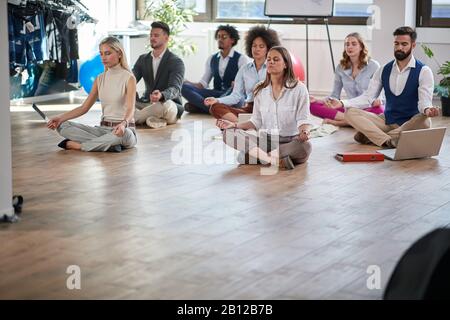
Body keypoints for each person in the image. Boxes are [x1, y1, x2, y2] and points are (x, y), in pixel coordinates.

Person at [328, 26, 440, 148]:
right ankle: (388, 141)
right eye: (396, 44)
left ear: (413, 45)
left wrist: (428, 110)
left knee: (424, 120)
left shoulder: (424, 71)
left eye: (404, 44)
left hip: (411, 123)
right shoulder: (383, 70)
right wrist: (342, 103)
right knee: (350, 112)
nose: (399, 48)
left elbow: (424, 102)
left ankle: (374, 136)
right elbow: (368, 98)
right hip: (387, 121)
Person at [217, 46, 312, 169]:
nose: (271, 62)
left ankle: (262, 157)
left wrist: (305, 132)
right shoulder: (259, 89)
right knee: (228, 134)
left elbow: (303, 119)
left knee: (305, 147)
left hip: (290, 142)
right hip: (266, 141)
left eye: (276, 59)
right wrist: (234, 125)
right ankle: (274, 160)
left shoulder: (299, 88)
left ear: (286, 64)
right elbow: (255, 121)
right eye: (269, 59)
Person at [47, 36, 136, 152]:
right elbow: (84, 108)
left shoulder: (129, 78)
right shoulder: (99, 79)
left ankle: (81, 146)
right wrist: (60, 118)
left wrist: (124, 124)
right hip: (102, 130)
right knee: (63, 126)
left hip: (124, 130)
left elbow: (130, 108)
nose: (103, 57)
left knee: (124, 135)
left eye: (108, 53)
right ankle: (107, 144)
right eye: (101, 54)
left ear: (119, 54)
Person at [207, 25, 280, 123]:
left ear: (268, 49)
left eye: (261, 46)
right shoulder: (244, 69)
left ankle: (241, 125)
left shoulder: (273, 67)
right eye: (254, 46)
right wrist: (217, 100)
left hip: (268, 110)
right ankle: (243, 125)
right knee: (215, 107)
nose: (256, 49)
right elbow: (236, 96)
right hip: (249, 109)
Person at [310, 32, 384, 127]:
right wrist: (318, 100)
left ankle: (340, 122)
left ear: (361, 47)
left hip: (369, 108)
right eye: (347, 44)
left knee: (380, 111)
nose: (350, 47)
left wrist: (377, 100)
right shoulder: (340, 68)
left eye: (354, 44)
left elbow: (377, 97)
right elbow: (335, 95)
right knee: (313, 106)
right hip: (350, 108)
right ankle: (354, 122)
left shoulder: (373, 66)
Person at [182, 24, 249, 114]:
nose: (220, 39)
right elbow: (203, 84)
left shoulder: (241, 59)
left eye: (224, 37)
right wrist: (186, 82)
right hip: (216, 94)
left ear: (232, 40)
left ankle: (202, 108)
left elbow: (246, 84)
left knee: (238, 98)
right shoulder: (212, 59)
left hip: (231, 95)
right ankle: (215, 109)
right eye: (218, 37)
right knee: (184, 87)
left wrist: (238, 84)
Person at [133, 21, 185, 128]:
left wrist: (162, 95)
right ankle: (153, 119)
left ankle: (135, 118)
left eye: (156, 35)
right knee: (123, 100)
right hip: (147, 103)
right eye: (151, 35)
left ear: (166, 38)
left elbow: (175, 89)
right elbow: (131, 80)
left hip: (168, 105)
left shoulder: (176, 62)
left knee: (165, 106)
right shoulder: (142, 59)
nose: (152, 38)